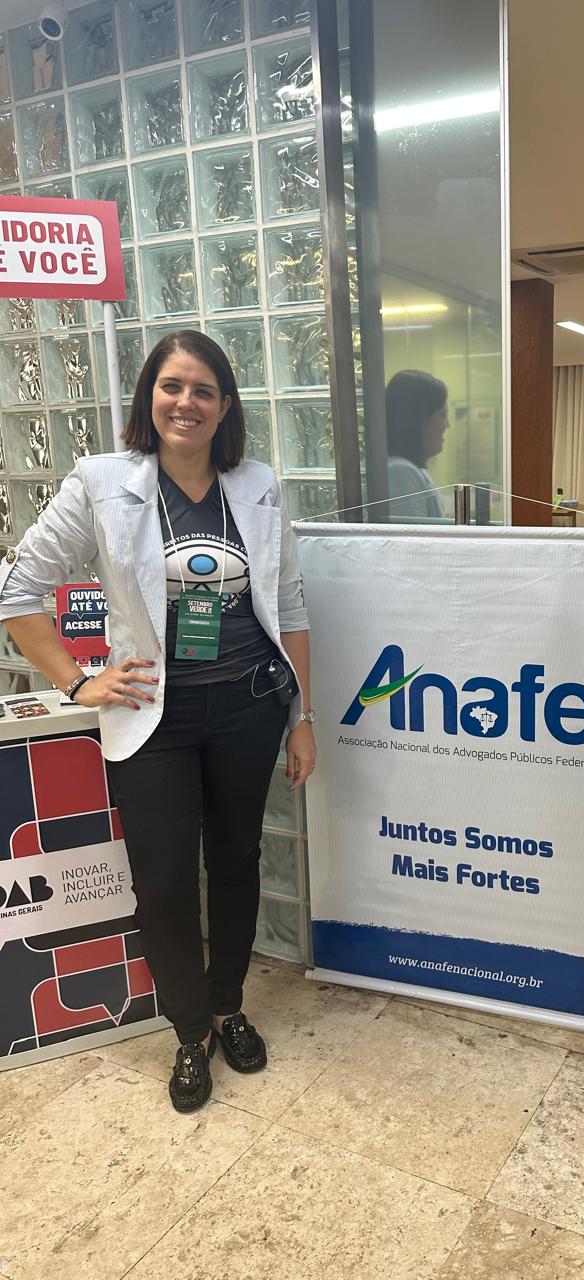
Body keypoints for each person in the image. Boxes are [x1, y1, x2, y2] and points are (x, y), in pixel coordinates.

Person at [0, 331, 317, 1114]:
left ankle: (228, 1006)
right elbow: (19, 589)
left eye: (204, 390)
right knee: (166, 879)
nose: (187, 402)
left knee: (237, 861)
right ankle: (189, 1030)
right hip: (152, 718)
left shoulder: (257, 485)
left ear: (225, 406)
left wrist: (301, 716)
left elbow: (291, 605)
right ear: (150, 396)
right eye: (172, 386)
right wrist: (78, 681)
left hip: (249, 705)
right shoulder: (103, 481)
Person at [386, 369, 449, 519]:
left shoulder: (414, 470)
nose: (447, 424)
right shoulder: (400, 473)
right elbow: (409, 534)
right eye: (442, 415)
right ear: (418, 419)